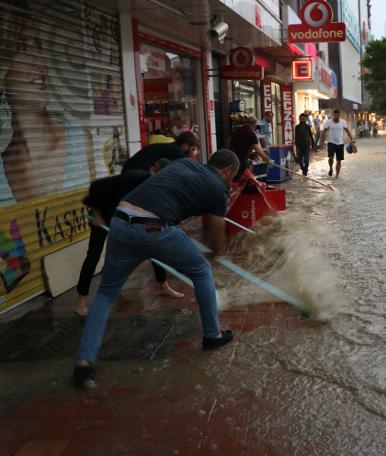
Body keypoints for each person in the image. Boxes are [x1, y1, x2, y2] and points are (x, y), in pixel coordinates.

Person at [73, 149, 241, 389]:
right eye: (231, 177)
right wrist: (218, 252)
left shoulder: (184, 163)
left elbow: (164, 192)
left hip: (120, 222)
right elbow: (215, 238)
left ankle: (84, 362)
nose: (230, 181)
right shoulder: (218, 189)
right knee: (202, 271)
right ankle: (212, 335)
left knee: (106, 293)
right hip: (154, 229)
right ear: (226, 171)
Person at [0, 3, 95, 205]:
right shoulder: (4, 166)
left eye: (39, 46)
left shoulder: (79, 141)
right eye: (21, 47)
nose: (39, 60)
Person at [74, 159, 183, 317]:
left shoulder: (162, 187)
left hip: (124, 218)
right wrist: (96, 213)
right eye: (158, 175)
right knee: (94, 255)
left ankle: (163, 285)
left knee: (155, 246)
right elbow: (96, 186)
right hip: (103, 215)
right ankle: (80, 301)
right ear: (152, 169)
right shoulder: (134, 178)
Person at [122, 131, 198, 174]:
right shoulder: (178, 153)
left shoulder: (172, 147)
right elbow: (188, 171)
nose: (194, 152)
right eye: (193, 149)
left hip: (132, 166)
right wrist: (190, 155)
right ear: (185, 145)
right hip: (136, 171)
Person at [321, 109, 354, 178]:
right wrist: (322, 141)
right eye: (336, 115)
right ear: (333, 115)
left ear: (339, 115)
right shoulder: (328, 122)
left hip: (340, 143)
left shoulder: (343, 122)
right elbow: (324, 131)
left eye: (338, 115)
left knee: (339, 161)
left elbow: (347, 131)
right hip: (331, 142)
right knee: (331, 157)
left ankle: (337, 176)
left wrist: (352, 139)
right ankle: (331, 168)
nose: (337, 116)